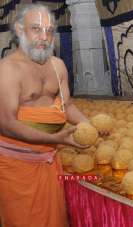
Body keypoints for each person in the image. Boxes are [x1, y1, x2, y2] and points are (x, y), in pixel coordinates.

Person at [0, 4, 89, 227]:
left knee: (55, 219)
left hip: (50, 162)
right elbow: (6, 123)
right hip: (16, 167)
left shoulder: (58, 66)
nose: (44, 37)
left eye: (49, 31)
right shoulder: (8, 69)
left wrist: (88, 125)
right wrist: (55, 139)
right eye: (36, 29)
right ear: (20, 30)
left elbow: (66, 106)